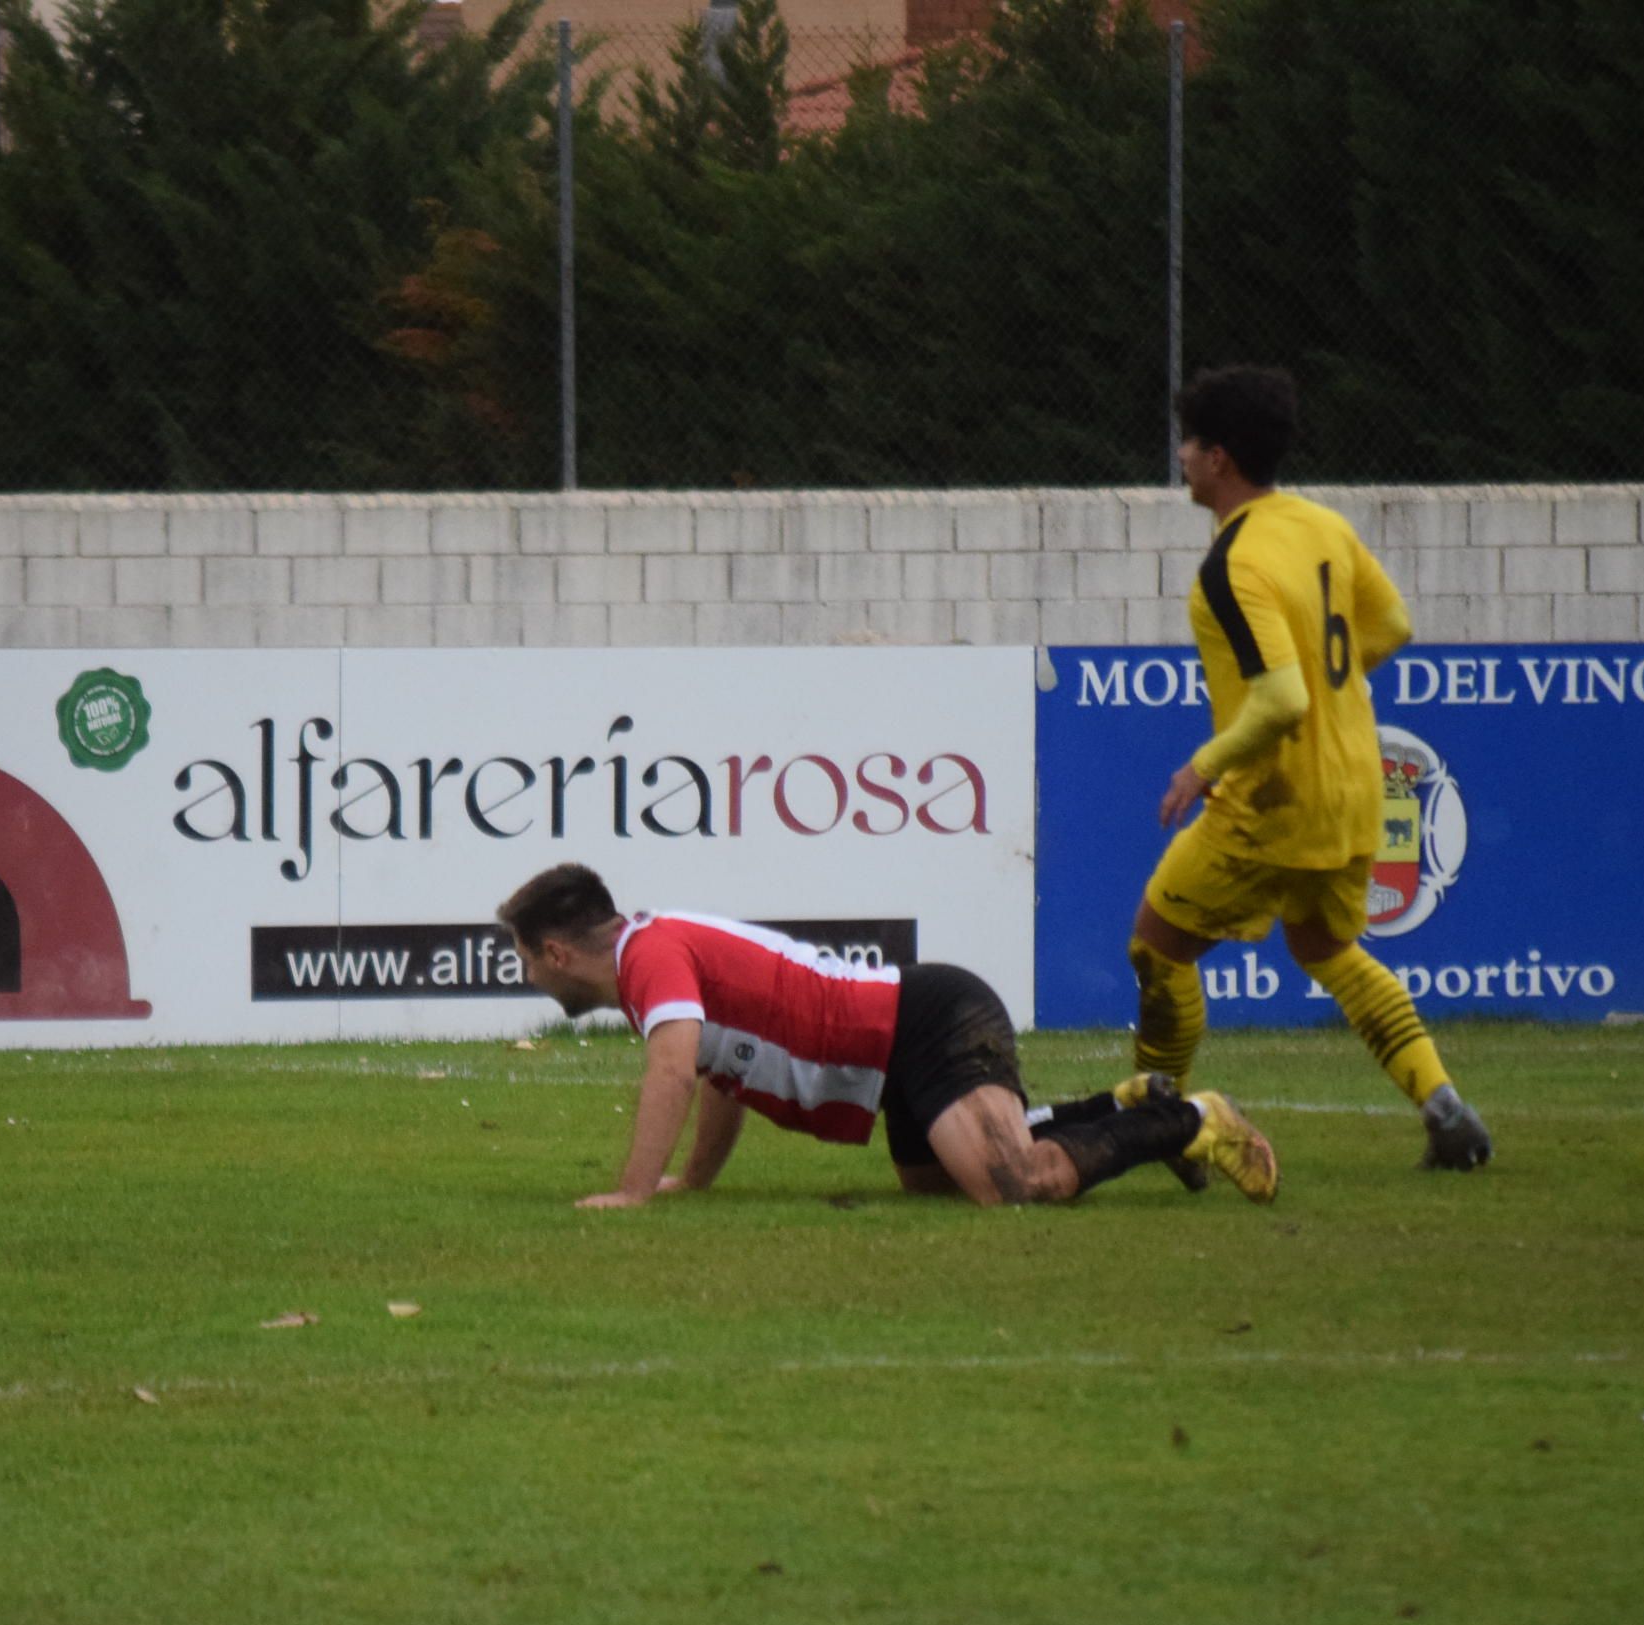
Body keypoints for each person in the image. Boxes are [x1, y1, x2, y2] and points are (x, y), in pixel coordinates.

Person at [1129, 364, 1491, 1171]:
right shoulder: (1320, 526)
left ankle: (1155, 1125)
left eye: (1189, 442)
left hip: (1272, 800)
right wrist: (1335, 688)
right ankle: (1445, 1109)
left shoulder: (1231, 569)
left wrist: (1202, 766)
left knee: (1158, 948)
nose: (1181, 457)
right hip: (1358, 788)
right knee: (1327, 950)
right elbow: (1392, 623)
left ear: (1219, 457)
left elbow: (1282, 701)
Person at [497, 863, 1280, 1209]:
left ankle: (1192, 1121)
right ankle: (1122, 1105)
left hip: (929, 1021)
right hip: (890, 1057)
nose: (529, 975)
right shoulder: (652, 958)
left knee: (1012, 1187)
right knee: (932, 1183)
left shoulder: (650, 955)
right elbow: (713, 1074)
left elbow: (671, 1072)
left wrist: (633, 1193)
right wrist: (695, 1182)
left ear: (558, 952)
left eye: (527, 958)